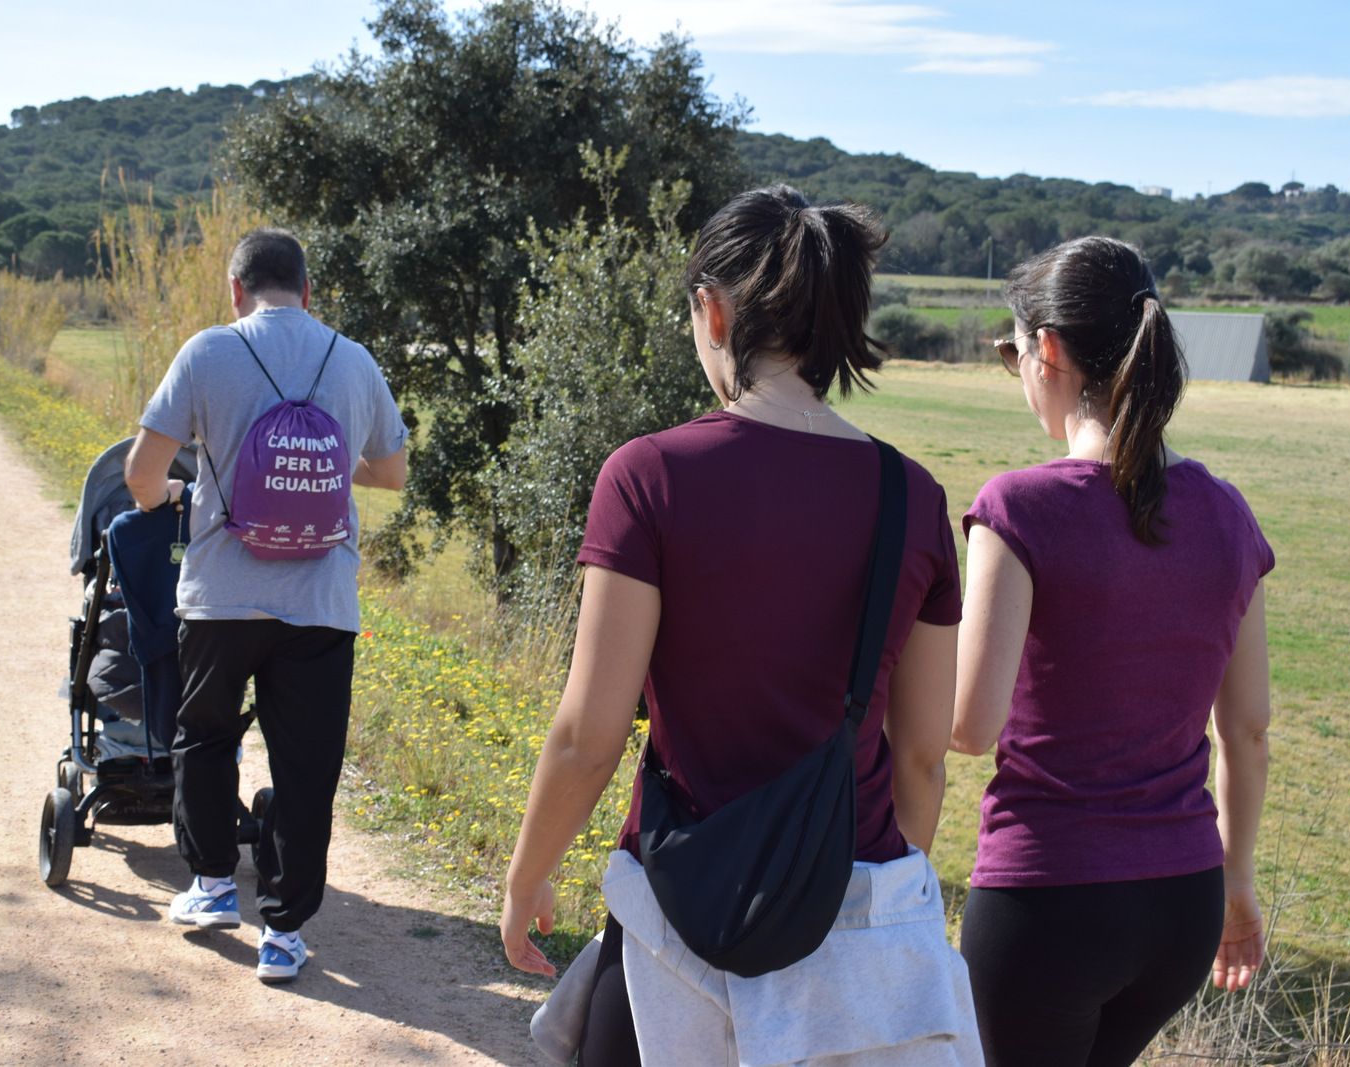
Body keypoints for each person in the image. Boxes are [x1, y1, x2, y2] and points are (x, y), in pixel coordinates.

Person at [501, 185, 980, 1066]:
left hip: (677, 920)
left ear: (712, 311)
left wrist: (527, 869)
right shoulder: (911, 497)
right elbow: (920, 752)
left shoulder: (648, 476)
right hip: (855, 908)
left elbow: (590, 732)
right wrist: (874, 900)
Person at [950, 236, 1273, 1067]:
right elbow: (1247, 733)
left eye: (1014, 351)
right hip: (1183, 905)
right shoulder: (1228, 514)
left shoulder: (1018, 508)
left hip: (1049, 900)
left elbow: (969, 725)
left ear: (1048, 350)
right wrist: (1238, 886)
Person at [124, 227, 409, 983]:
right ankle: (283, 933)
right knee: (307, 764)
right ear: (309, 291)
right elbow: (393, 470)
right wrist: (325, 467)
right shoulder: (352, 359)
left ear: (235, 289)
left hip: (220, 596)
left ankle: (215, 886)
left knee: (207, 737)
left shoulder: (207, 352)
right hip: (320, 602)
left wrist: (173, 496)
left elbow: (142, 472)